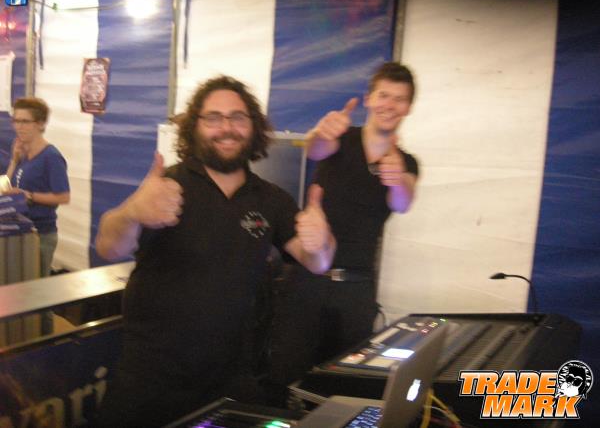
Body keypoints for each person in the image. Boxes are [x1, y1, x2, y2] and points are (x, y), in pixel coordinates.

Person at [94, 75, 335, 427]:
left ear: (253, 127)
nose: (226, 128)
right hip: (151, 378)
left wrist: (322, 240)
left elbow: (317, 262)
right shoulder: (166, 188)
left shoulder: (270, 199)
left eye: (238, 117)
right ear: (195, 126)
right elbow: (108, 247)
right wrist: (130, 212)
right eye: (213, 118)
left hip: (230, 380)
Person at [267, 62, 419, 404]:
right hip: (307, 280)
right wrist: (321, 132)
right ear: (369, 99)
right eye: (383, 95)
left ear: (408, 107)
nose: (389, 105)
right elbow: (315, 148)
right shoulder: (342, 138)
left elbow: (403, 201)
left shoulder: (405, 162)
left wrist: (397, 179)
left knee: (343, 387)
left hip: (356, 290)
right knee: (285, 376)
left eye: (399, 99)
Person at [4, 97, 70, 280]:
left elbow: (64, 197)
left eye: (25, 121)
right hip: (19, 231)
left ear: (40, 124)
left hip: (41, 234)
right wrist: (14, 161)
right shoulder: (23, 154)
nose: (19, 127)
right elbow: (6, 188)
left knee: (36, 290)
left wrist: (30, 196)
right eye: (16, 121)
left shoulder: (51, 157)